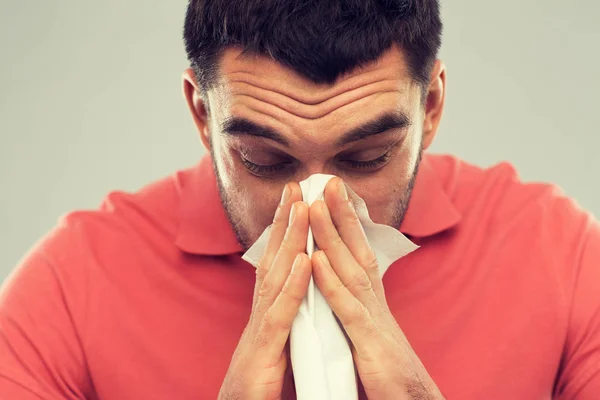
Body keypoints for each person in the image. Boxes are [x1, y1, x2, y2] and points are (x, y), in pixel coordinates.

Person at [1, 0, 598, 398]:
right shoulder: (75, 283)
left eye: (367, 157)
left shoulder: (560, 255)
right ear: (203, 114)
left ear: (431, 107)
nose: (318, 202)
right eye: (265, 159)